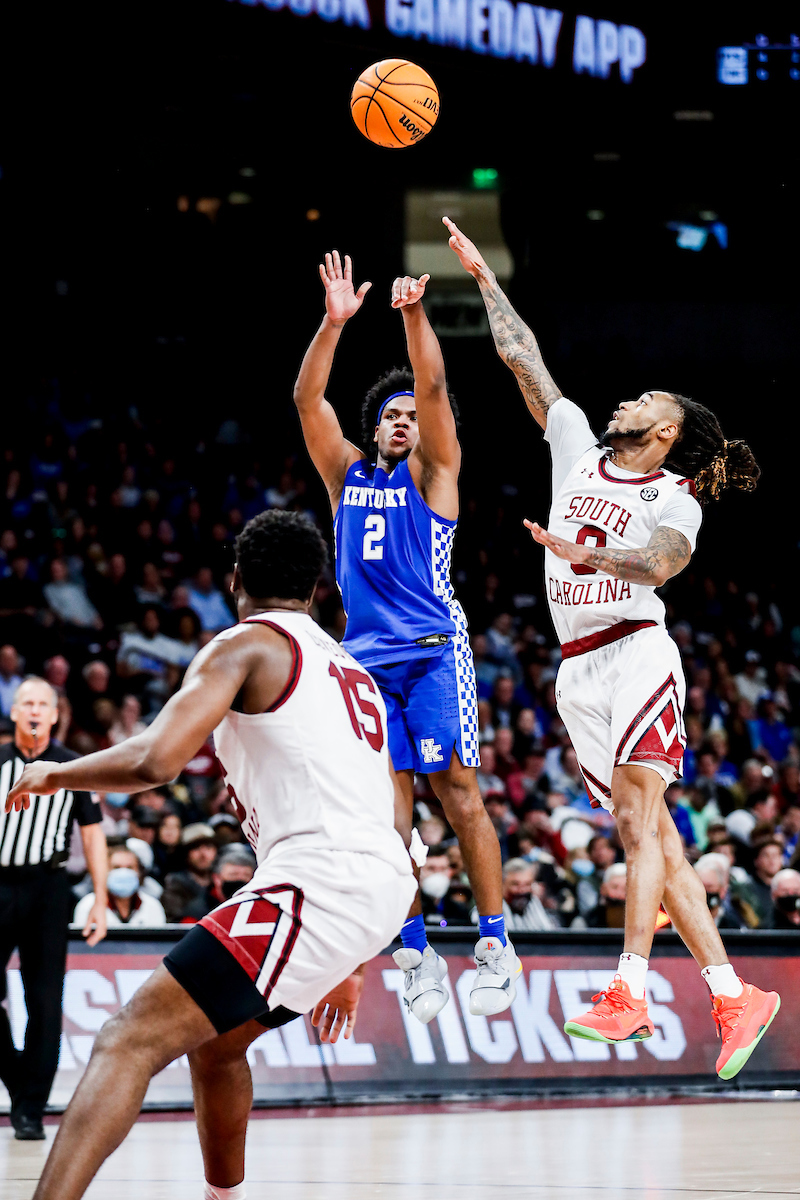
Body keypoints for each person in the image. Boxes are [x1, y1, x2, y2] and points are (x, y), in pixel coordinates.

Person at [444, 214, 779, 1080]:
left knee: (636, 822)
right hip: (576, 671)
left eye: (648, 402)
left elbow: (660, 565)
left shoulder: (675, 498)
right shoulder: (575, 447)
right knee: (655, 834)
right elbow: (524, 360)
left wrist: (585, 553)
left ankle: (629, 989)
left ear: (667, 433)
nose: (629, 401)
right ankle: (734, 996)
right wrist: (484, 278)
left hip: (635, 652)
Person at [5, 509, 415, 1200]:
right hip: (378, 887)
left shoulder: (246, 645)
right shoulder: (353, 672)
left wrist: (54, 773)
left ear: (235, 581)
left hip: (320, 883)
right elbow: (396, 818)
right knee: (219, 1042)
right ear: (315, 589)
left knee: (126, 1039)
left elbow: (156, 760)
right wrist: (352, 957)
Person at [292, 249, 516, 1024]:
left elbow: (435, 387)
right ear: (375, 427)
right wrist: (333, 325)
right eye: (391, 414)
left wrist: (414, 314)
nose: (403, 420)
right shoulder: (346, 477)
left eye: (411, 417)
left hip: (432, 653)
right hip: (365, 664)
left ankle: (495, 941)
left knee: (457, 794)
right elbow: (306, 398)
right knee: (391, 820)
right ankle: (416, 953)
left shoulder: (436, 477)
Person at [0, 677, 108, 1140]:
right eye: (27, 703)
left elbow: (93, 833)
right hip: (0, 883)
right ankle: (18, 1080)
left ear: (55, 715)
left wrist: (100, 899)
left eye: (42, 704)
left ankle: (30, 1110)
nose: (34, 710)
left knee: (44, 1000)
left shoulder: (72, 766)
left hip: (48, 887)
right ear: (13, 712)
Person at [73, 845, 166, 928]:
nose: (123, 872)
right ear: (105, 871)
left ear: (139, 873)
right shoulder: (88, 905)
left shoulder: (153, 906)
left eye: (129, 868)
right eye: (116, 867)